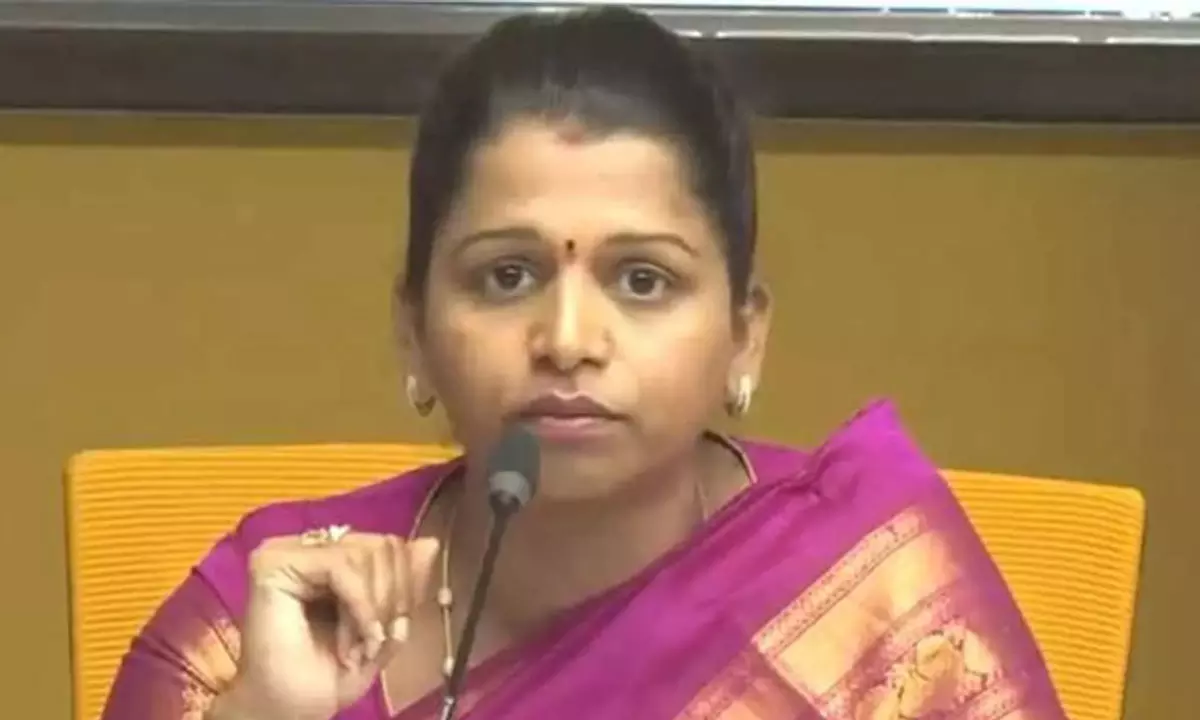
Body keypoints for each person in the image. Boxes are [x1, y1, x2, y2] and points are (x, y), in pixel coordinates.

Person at [100, 6, 1066, 720]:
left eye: (643, 280)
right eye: (506, 275)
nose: (567, 338)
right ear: (413, 331)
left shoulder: (871, 602)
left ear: (744, 336)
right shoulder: (264, 619)